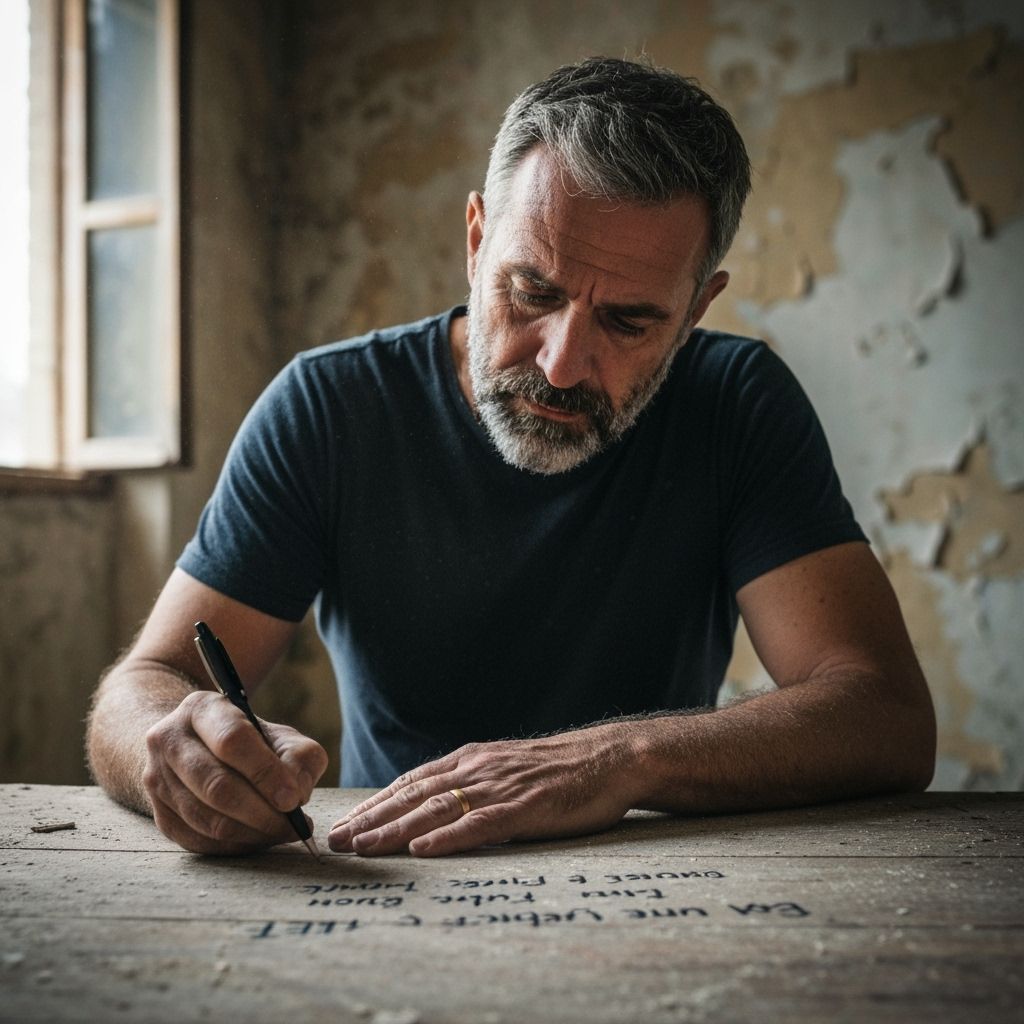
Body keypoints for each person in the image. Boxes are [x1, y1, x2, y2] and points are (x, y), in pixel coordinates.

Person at [86, 56, 936, 858]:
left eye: (629, 323)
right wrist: (177, 749)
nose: (561, 364)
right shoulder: (330, 405)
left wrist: (617, 760)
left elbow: (885, 714)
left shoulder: (737, 404)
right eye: (533, 292)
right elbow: (149, 680)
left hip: (659, 873)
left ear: (697, 307)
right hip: (390, 867)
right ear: (475, 237)